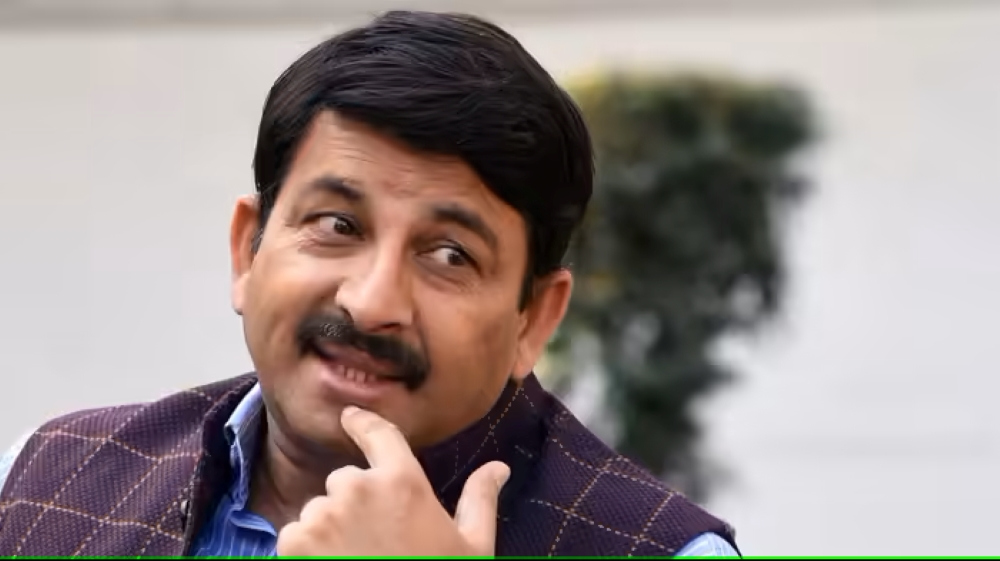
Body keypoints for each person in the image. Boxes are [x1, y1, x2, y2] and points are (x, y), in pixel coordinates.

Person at [0, 10, 740, 558]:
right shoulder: (42, 480)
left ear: (533, 320)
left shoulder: (665, 551)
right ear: (247, 250)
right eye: (338, 224)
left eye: (449, 255)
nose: (372, 302)